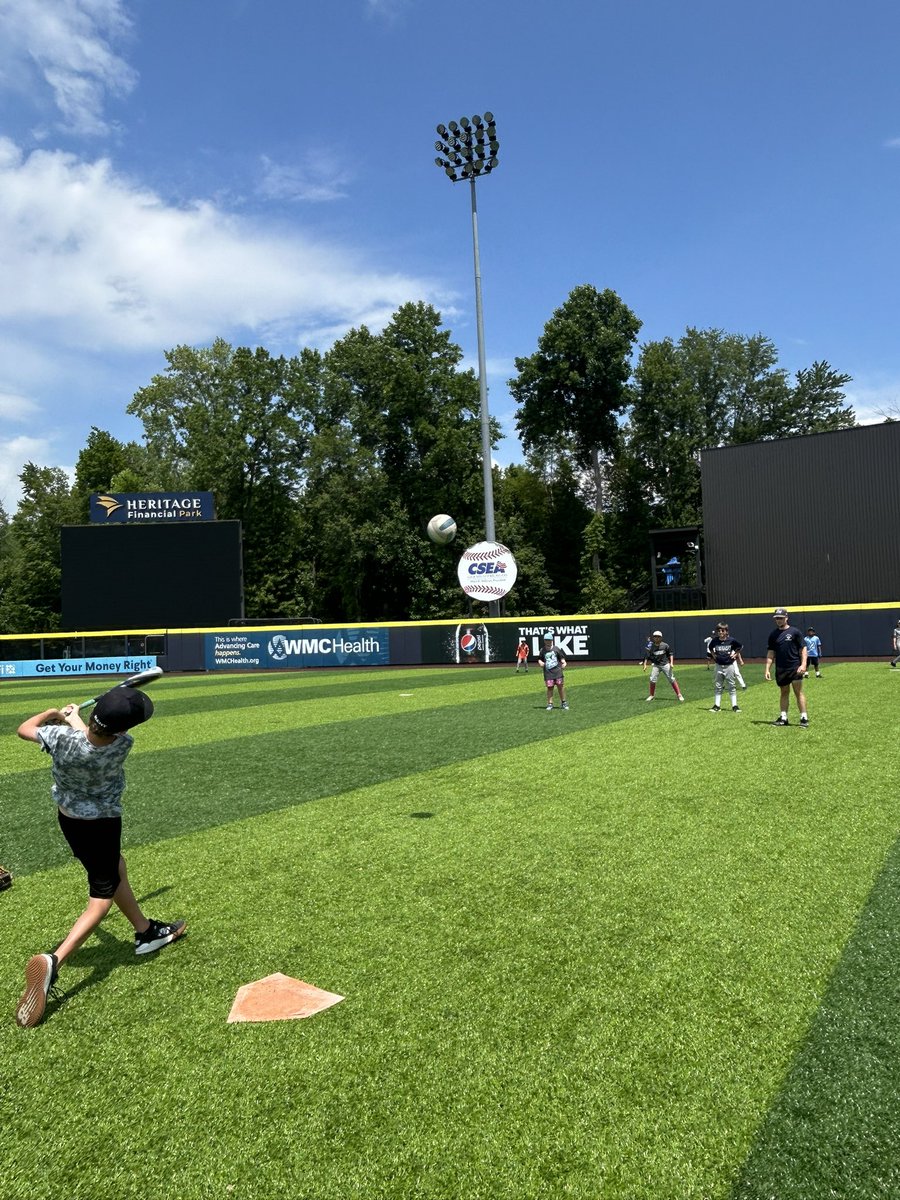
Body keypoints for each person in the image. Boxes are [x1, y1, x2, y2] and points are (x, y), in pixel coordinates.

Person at [14, 687, 186, 1028]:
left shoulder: (61, 739)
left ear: (94, 718)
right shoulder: (122, 745)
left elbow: (25, 729)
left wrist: (55, 713)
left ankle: (145, 931)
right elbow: (96, 739)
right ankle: (55, 961)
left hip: (69, 820)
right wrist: (70, 718)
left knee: (113, 866)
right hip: (103, 824)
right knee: (100, 899)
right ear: (123, 730)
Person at [765, 608, 809, 727]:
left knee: (798, 692)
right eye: (777, 618)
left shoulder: (795, 632)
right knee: (784, 692)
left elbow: (803, 648)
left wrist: (803, 664)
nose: (779, 620)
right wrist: (767, 669)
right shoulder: (773, 634)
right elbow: (770, 653)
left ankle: (804, 718)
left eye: (781, 618)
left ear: (786, 618)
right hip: (781, 668)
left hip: (794, 667)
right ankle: (784, 718)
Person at [707, 621, 743, 713]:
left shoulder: (731, 640)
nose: (720, 633)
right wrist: (714, 655)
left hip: (729, 665)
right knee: (718, 686)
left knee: (731, 685)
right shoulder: (715, 640)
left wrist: (735, 654)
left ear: (726, 631)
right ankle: (717, 705)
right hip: (718, 665)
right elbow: (710, 648)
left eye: (723, 631)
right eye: (719, 631)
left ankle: (734, 706)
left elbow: (740, 646)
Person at [642, 631, 685, 702]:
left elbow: (671, 654)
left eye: (658, 637)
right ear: (653, 638)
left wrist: (671, 663)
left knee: (671, 679)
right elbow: (647, 656)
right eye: (655, 636)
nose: (656, 638)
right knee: (652, 679)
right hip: (656, 665)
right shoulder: (651, 647)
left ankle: (679, 695)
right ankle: (651, 695)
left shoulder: (665, 645)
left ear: (661, 638)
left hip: (665, 664)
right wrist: (645, 665)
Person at [538, 633, 568, 710]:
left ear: (552, 640)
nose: (548, 641)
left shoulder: (556, 649)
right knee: (550, 688)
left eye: (549, 640)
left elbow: (561, 657)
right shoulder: (542, 650)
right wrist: (540, 662)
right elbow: (540, 658)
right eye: (546, 640)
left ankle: (563, 702)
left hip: (557, 672)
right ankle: (550, 703)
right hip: (548, 673)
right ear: (544, 641)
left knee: (560, 687)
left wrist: (564, 662)